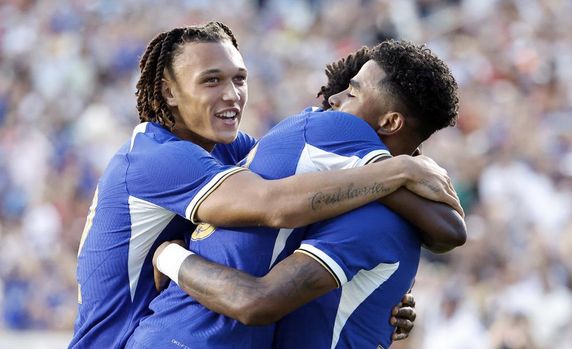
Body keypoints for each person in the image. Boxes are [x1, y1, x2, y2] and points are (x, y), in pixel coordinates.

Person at [69, 22, 461, 349]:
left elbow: (319, 192)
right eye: (211, 81)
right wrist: (401, 171)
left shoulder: (225, 149)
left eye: (239, 79)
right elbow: (273, 204)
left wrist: (372, 292)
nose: (231, 94)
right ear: (170, 91)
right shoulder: (155, 157)